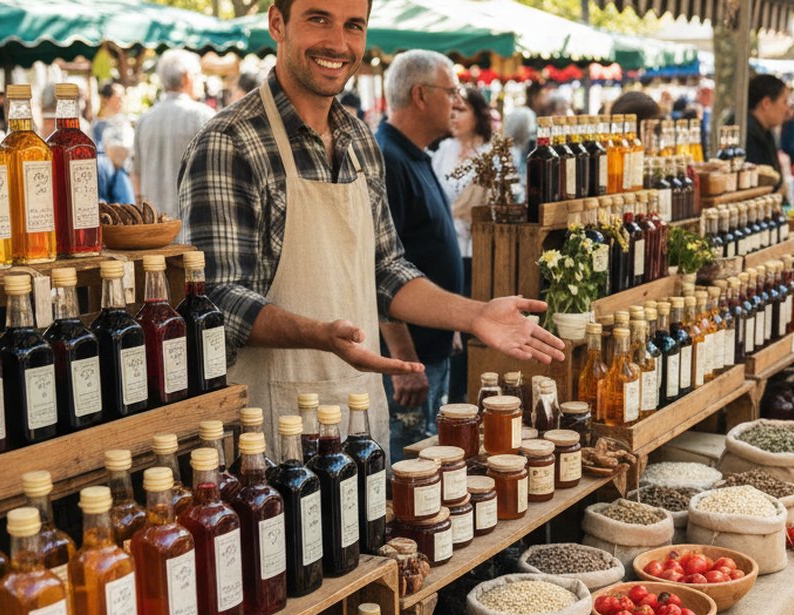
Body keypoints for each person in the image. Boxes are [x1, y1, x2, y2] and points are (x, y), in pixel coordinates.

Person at [177, 0, 564, 453]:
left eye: (353, 26)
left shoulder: (359, 139)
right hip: (267, 440)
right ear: (277, 24)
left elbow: (386, 270)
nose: (338, 44)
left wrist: (474, 316)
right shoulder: (228, 142)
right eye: (318, 19)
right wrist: (318, 335)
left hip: (357, 420)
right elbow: (217, 299)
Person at [375, 50, 466, 455]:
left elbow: (426, 248)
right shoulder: (388, 160)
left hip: (431, 349)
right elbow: (376, 268)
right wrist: (404, 360)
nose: (459, 103)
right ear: (421, 95)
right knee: (411, 472)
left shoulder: (415, 155)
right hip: (408, 365)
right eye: (452, 92)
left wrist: (451, 324)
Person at [432, 87, 494, 405]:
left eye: (463, 110)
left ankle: (462, 395)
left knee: (469, 325)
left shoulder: (491, 154)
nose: (455, 116)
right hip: (444, 248)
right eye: (452, 110)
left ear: (479, 114)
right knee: (445, 321)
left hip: (473, 253)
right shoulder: (443, 149)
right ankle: (448, 395)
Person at [136, 49, 215, 242]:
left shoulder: (145, 120)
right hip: (193, 232)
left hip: (154, 233)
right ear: (187, 77)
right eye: (198, 74)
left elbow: (135, 175)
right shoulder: (204, 116)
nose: (201, 80)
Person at [744, 74, 789, 187]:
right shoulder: (746, 134)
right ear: (766, 103)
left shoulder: (766, 131)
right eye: (784, 102)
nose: (787, 109)